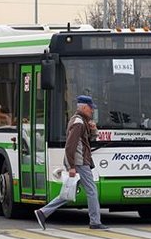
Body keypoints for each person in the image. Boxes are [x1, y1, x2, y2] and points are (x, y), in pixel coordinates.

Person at [34, 95, 108, 230]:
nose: (92, 111)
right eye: (91, 108)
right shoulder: (78, 123)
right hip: (79, 162)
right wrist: (72, 166)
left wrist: (93, 130)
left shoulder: (82, 121)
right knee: (92, 191)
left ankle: (43, 212)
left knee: (69, 192)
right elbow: (70, 146)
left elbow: (88, 140)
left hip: (80, 161)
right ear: (84, 107)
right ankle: (95, 222)